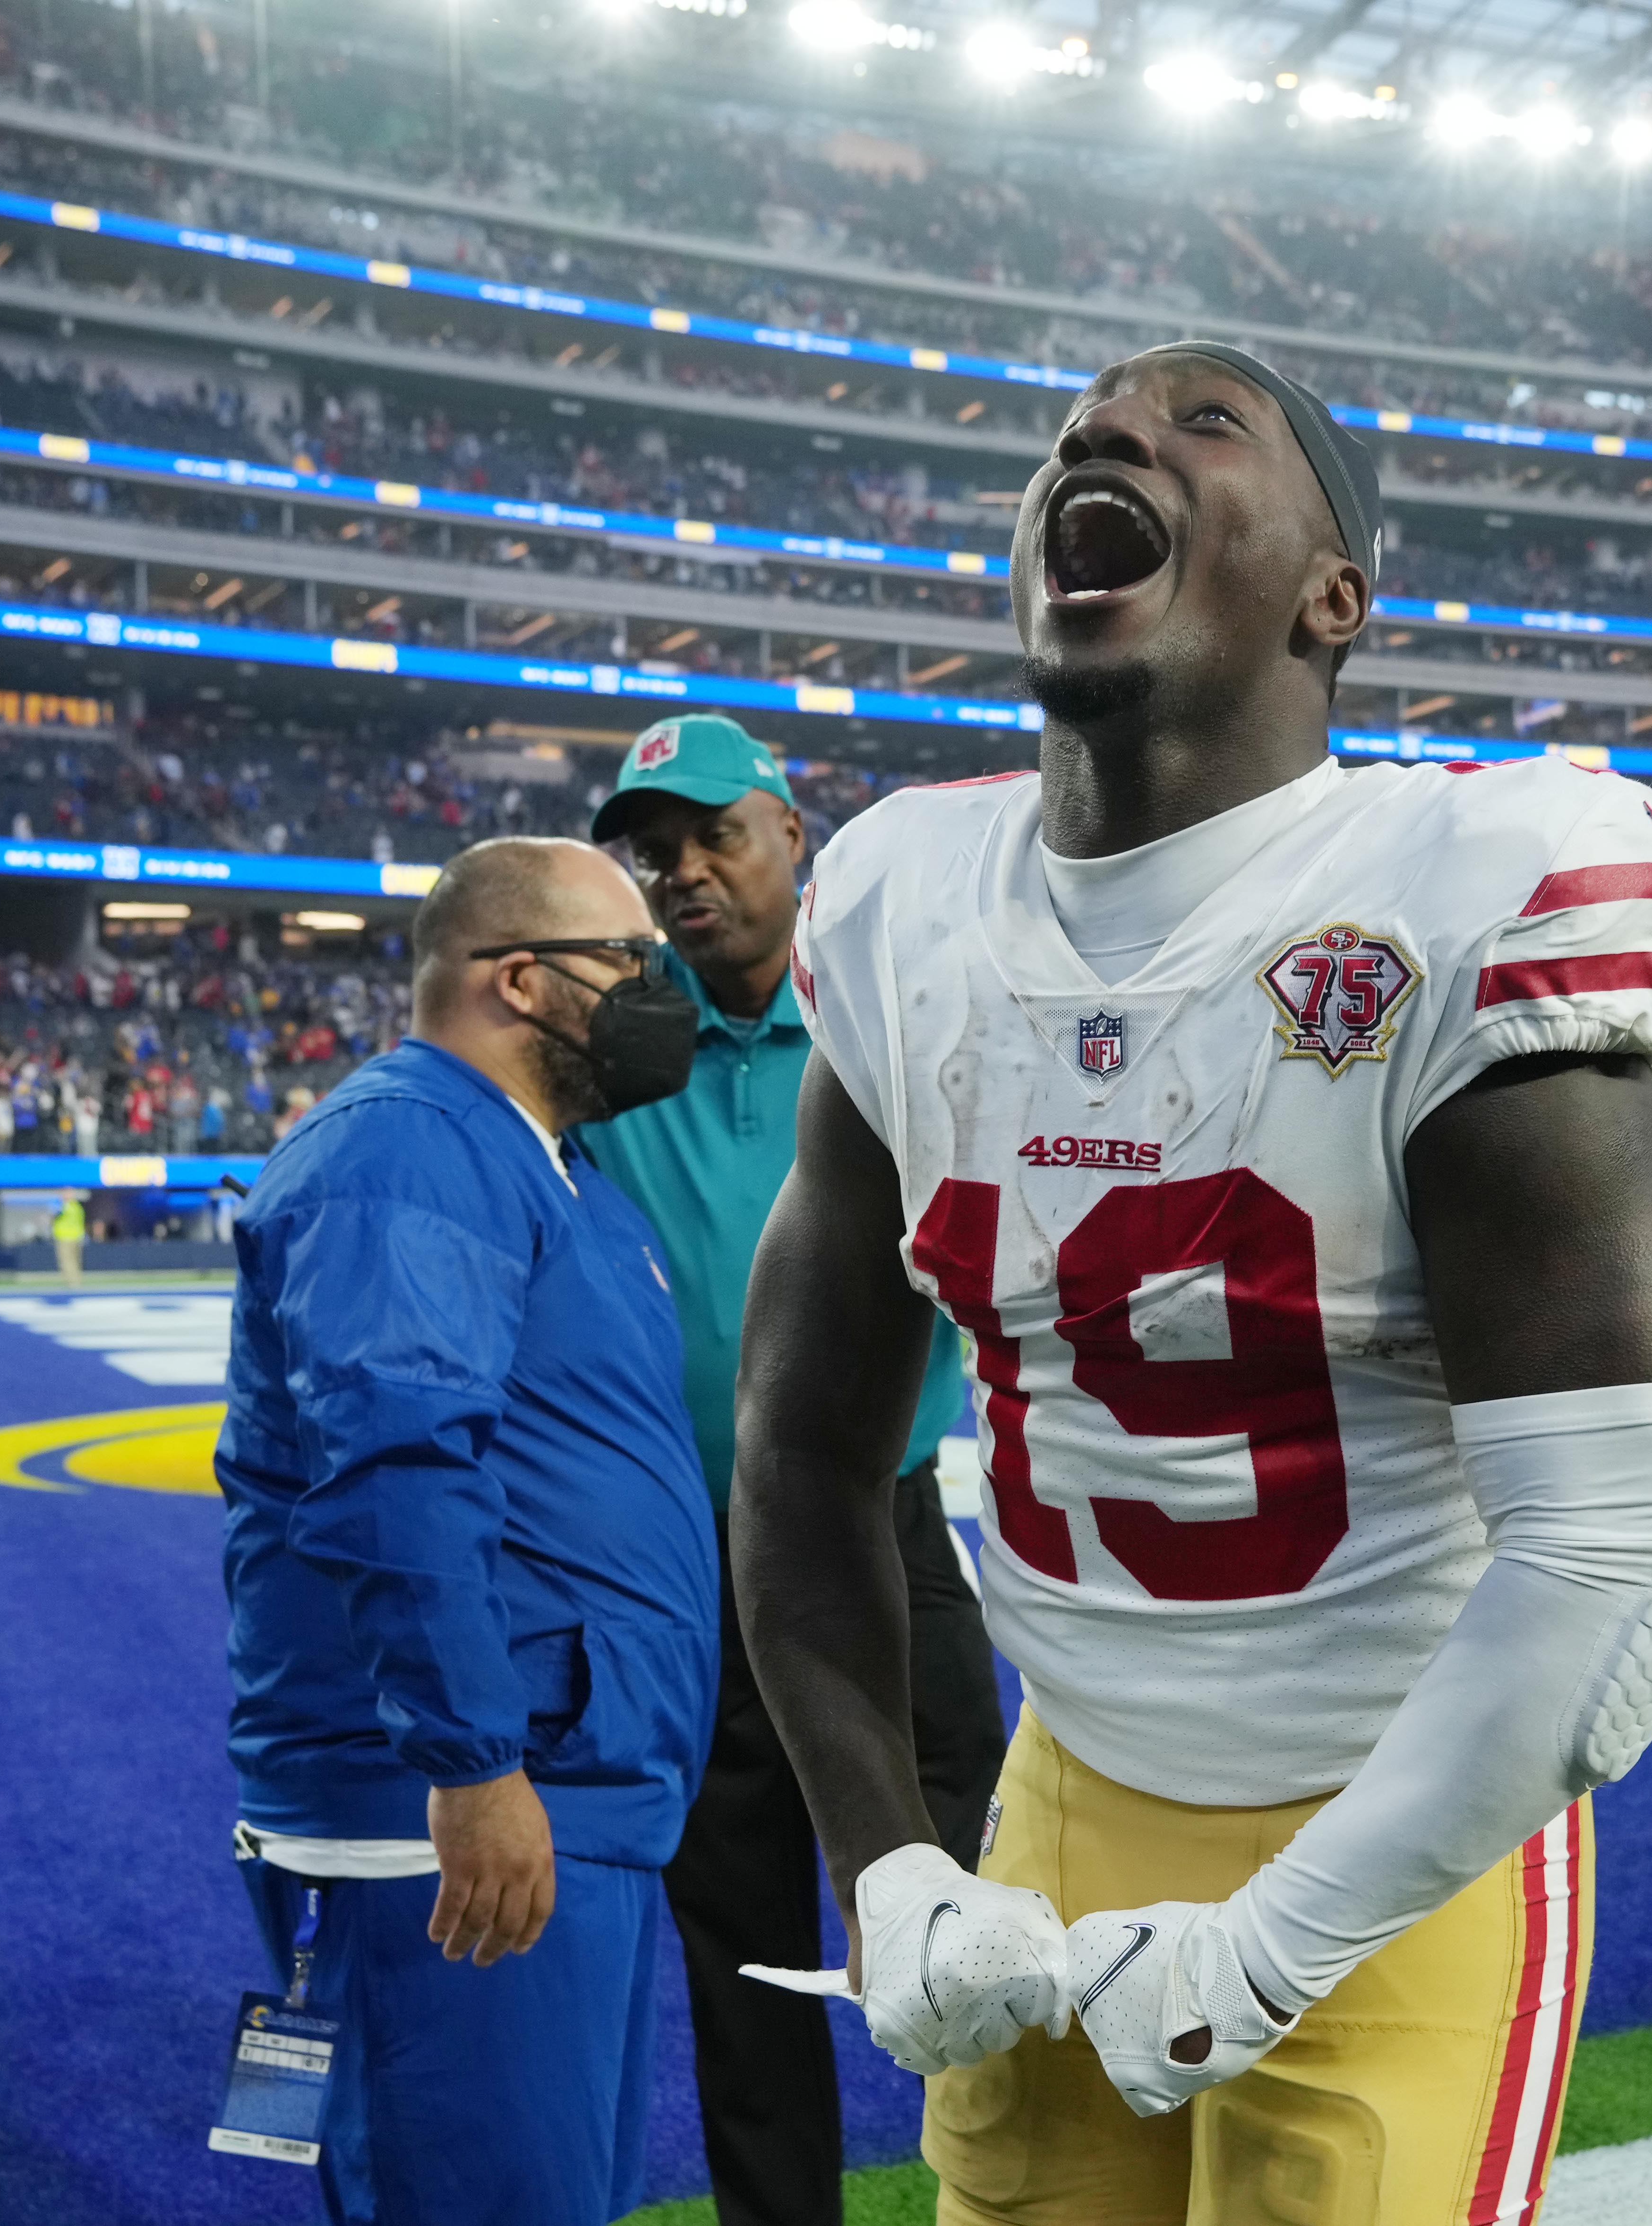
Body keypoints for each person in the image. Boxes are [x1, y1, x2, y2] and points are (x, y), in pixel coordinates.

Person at [733, 341, 1652, 2225]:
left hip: (1398, 1837)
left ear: (1333, 596)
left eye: (1206, 422)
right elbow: (798, 1466)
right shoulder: (899, 901)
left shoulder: (1470, 884)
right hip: (1065, 1781)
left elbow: (1620, 1566)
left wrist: (1274, 1942)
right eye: (1085, 427)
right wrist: (890, 1863)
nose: (1103, 433)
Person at [214, 837, 717, 2226]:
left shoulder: (554, 1168)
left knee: (545, 2192)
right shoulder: (409, 1146)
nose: (658, 989)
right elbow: (395, 1466)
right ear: (520, 979)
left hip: (567, 1787)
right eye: (630, 962)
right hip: (458, 1812)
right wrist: (471, 1759)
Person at [573, 713, 996, 2226]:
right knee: (743, 1956)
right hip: (692, 1565)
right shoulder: (614, 1047)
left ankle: (1018, 2195)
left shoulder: (883, 1014)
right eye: (657, 851)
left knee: (979, 1926)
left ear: (791, 834)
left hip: (886, 1532)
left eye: (715, 835)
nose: (684, 872)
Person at [50, 1188, 86, 1285]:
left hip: (66, 1237)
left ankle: (73, 1282)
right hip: (75, 1237)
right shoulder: (77, 1206)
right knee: (74, 1261)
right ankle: (76, 1281)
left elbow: (54, 1216)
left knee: (68, 1261)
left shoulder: (63, 1206)